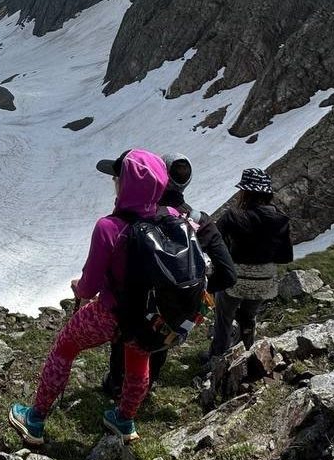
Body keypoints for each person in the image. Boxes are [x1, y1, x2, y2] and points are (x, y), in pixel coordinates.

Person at [8, 149, 169, 446]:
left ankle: (35, 419)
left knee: (64, 348)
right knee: (138, 359)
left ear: (126, 183)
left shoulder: (109, 227)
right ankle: (124, 419)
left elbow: (89, 288)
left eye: (117, 178)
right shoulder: (170, 218)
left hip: (110, 314)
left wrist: (77, 287)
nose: (115, 183)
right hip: (148, 317)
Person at [101, 153, 236, 397]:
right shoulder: (198, 221)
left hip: (135, 306)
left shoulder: (142, 214)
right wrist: (197, 291)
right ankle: (145, 388)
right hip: (176, 312)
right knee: (159, 343)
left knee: (127, 344)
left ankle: (116, 385)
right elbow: (228, 274)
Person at [209, 168, 293, 358]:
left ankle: (217, 356)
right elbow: (285, 257)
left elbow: (213, 240)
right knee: (249, 316)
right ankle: (247, 353)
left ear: (245, 192)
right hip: (264, 281)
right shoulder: (281, 219)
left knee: (224, 318)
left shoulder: (233, 216)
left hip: (235, 279)